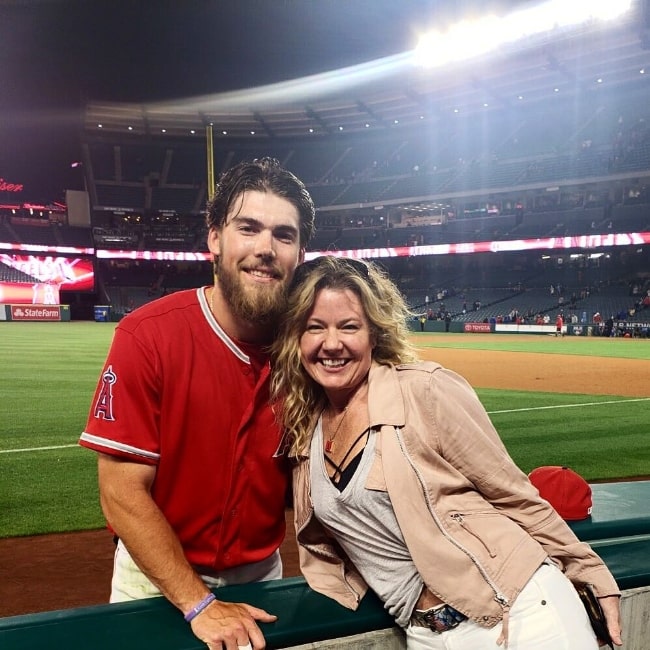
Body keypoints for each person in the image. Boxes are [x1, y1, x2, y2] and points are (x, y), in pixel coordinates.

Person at [269, 255, 622, 649]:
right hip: (426, 634)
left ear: (374, 333)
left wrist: (589, 570)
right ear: (296, 337)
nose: (331, 343)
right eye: (314, 327)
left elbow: (514, 494)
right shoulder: (306, 430)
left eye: (349, 326)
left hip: (522, 613)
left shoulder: (425, 391)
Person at [79, 158, 315, 650]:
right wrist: (199, 603)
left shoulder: (313, 349)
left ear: (300, 252)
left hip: (262, 577)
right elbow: (121, 492)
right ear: (214, 239)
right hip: (154, 581)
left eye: (283, 235)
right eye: (247, 228)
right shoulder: (148, 335)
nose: (265, 249)